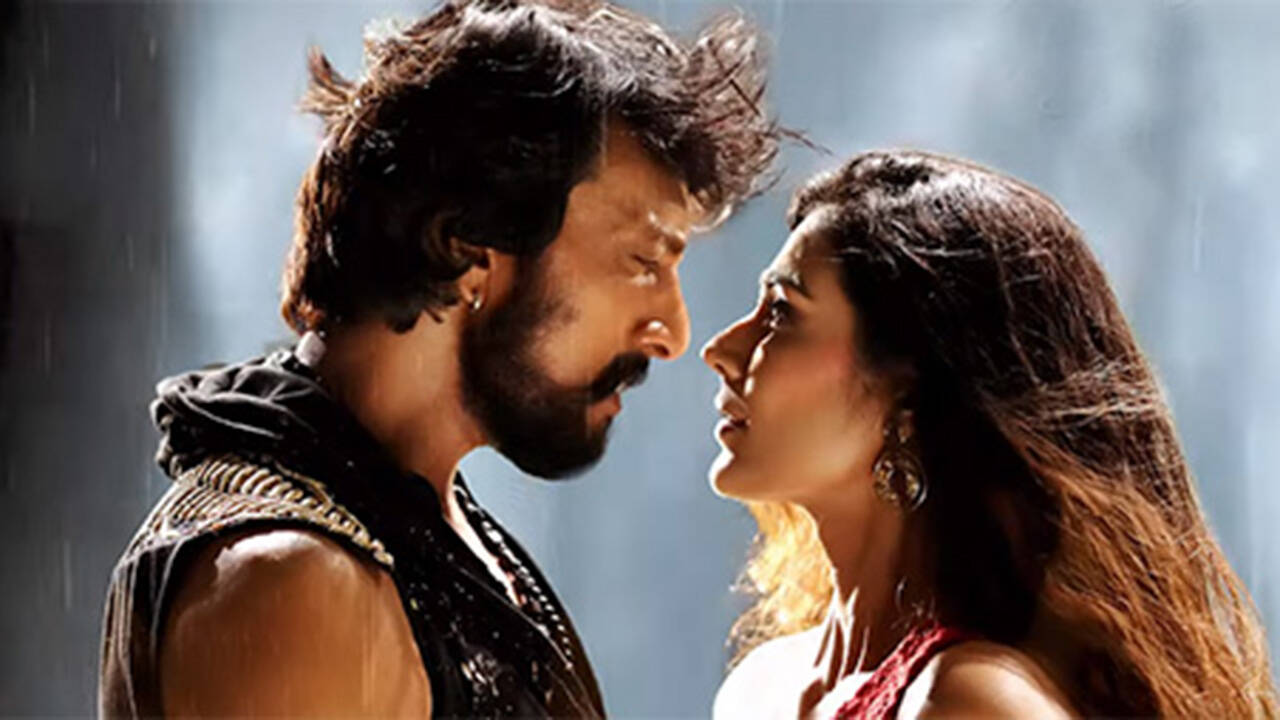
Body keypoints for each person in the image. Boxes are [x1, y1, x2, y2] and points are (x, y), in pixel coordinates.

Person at [98, 1, 778, 716]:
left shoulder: (428, 529)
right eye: (643, 261)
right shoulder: (295, 583)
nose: (673, 333)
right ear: (468, 249)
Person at [703, 150, 1278, 719]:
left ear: (908, 390)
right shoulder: (759, 688)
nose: (720, 350)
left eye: (782, 312)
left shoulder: (969, 703)